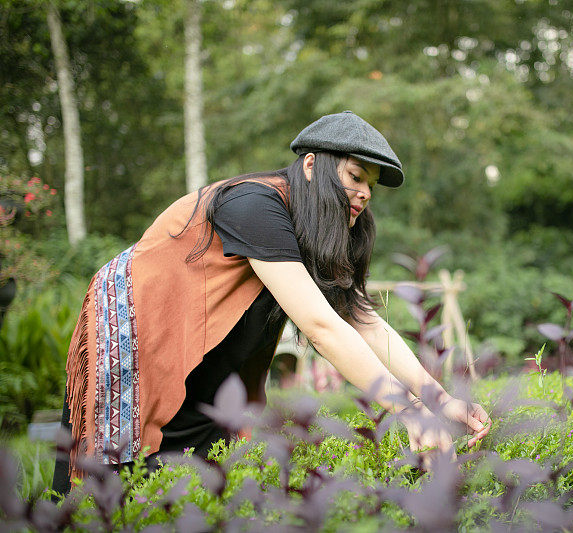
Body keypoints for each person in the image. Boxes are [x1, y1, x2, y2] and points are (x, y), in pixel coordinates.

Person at [52, 111, 491, 495]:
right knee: (109, 480)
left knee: (203, 470)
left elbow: (361, 320)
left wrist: (440, 399)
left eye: (371, 186)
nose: (364, 194)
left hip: (215, 347)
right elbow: (321, 325)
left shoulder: (331, 228)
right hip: (139, 329)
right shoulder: (256, 203)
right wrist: (409, 411)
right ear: (311, 165)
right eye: (356, 177)